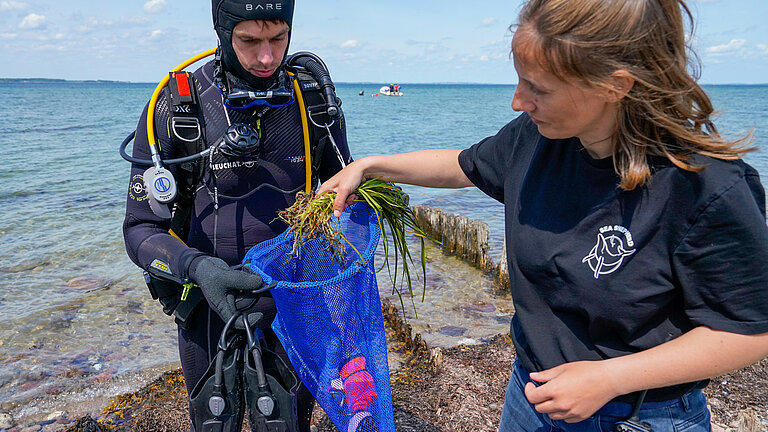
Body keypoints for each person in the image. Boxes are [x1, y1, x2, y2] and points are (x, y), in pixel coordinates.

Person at [318, 0, 768, 430]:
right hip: (528, 397)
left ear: (616, 85)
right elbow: (462, 165)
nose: (518, 101)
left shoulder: (706, 188)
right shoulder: (536, 139)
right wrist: (370, 165)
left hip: (639, 416)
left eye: (539, 88)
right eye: (520, 81)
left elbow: (747, 332)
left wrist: (610, 378)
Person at [122, 0, 352, 430]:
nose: (266, 57)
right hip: (206, 307)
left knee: (287, 423)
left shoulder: (314, 103)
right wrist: (198, 267)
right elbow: (140, 229)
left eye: (278, 38)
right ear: (222, 31)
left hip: (292, 307)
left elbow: (342, 197)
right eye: (249, 40)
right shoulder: (178, 107)